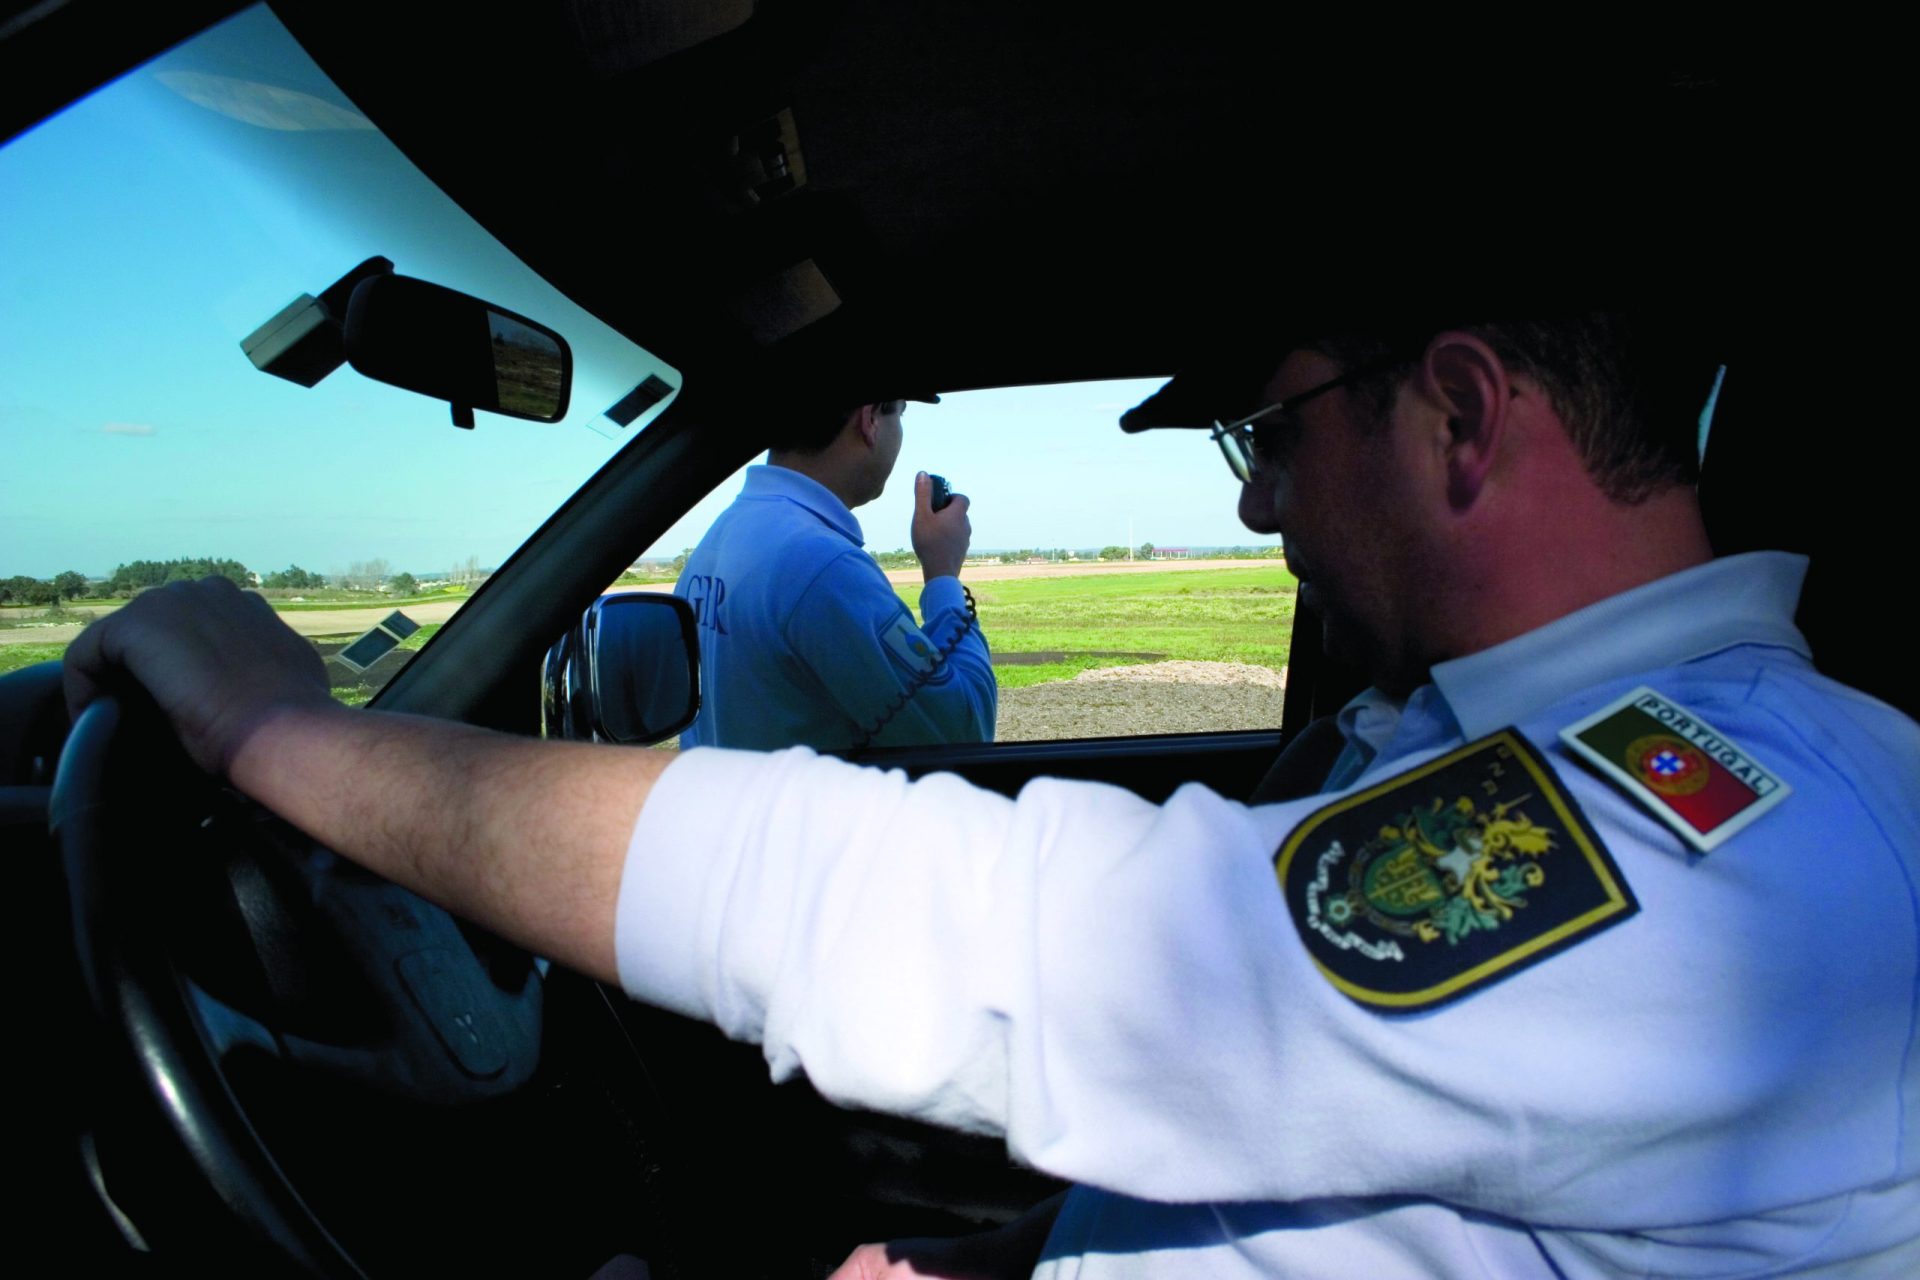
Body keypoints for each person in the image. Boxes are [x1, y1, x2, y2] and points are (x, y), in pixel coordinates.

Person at [65, 312, 1920, 1278]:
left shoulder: (1730, 835)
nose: (1260, 507)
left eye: (1271, 437)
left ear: (1461, 414)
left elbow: (995, 929)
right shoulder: (1517, 755)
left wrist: (277, 739)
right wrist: (1044, 1249)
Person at [674, 397, 995, 751]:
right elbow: (963, 732)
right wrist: (943, 573)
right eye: (899, 414)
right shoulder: (824, 566)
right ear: (870, 418)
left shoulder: (724, 534)